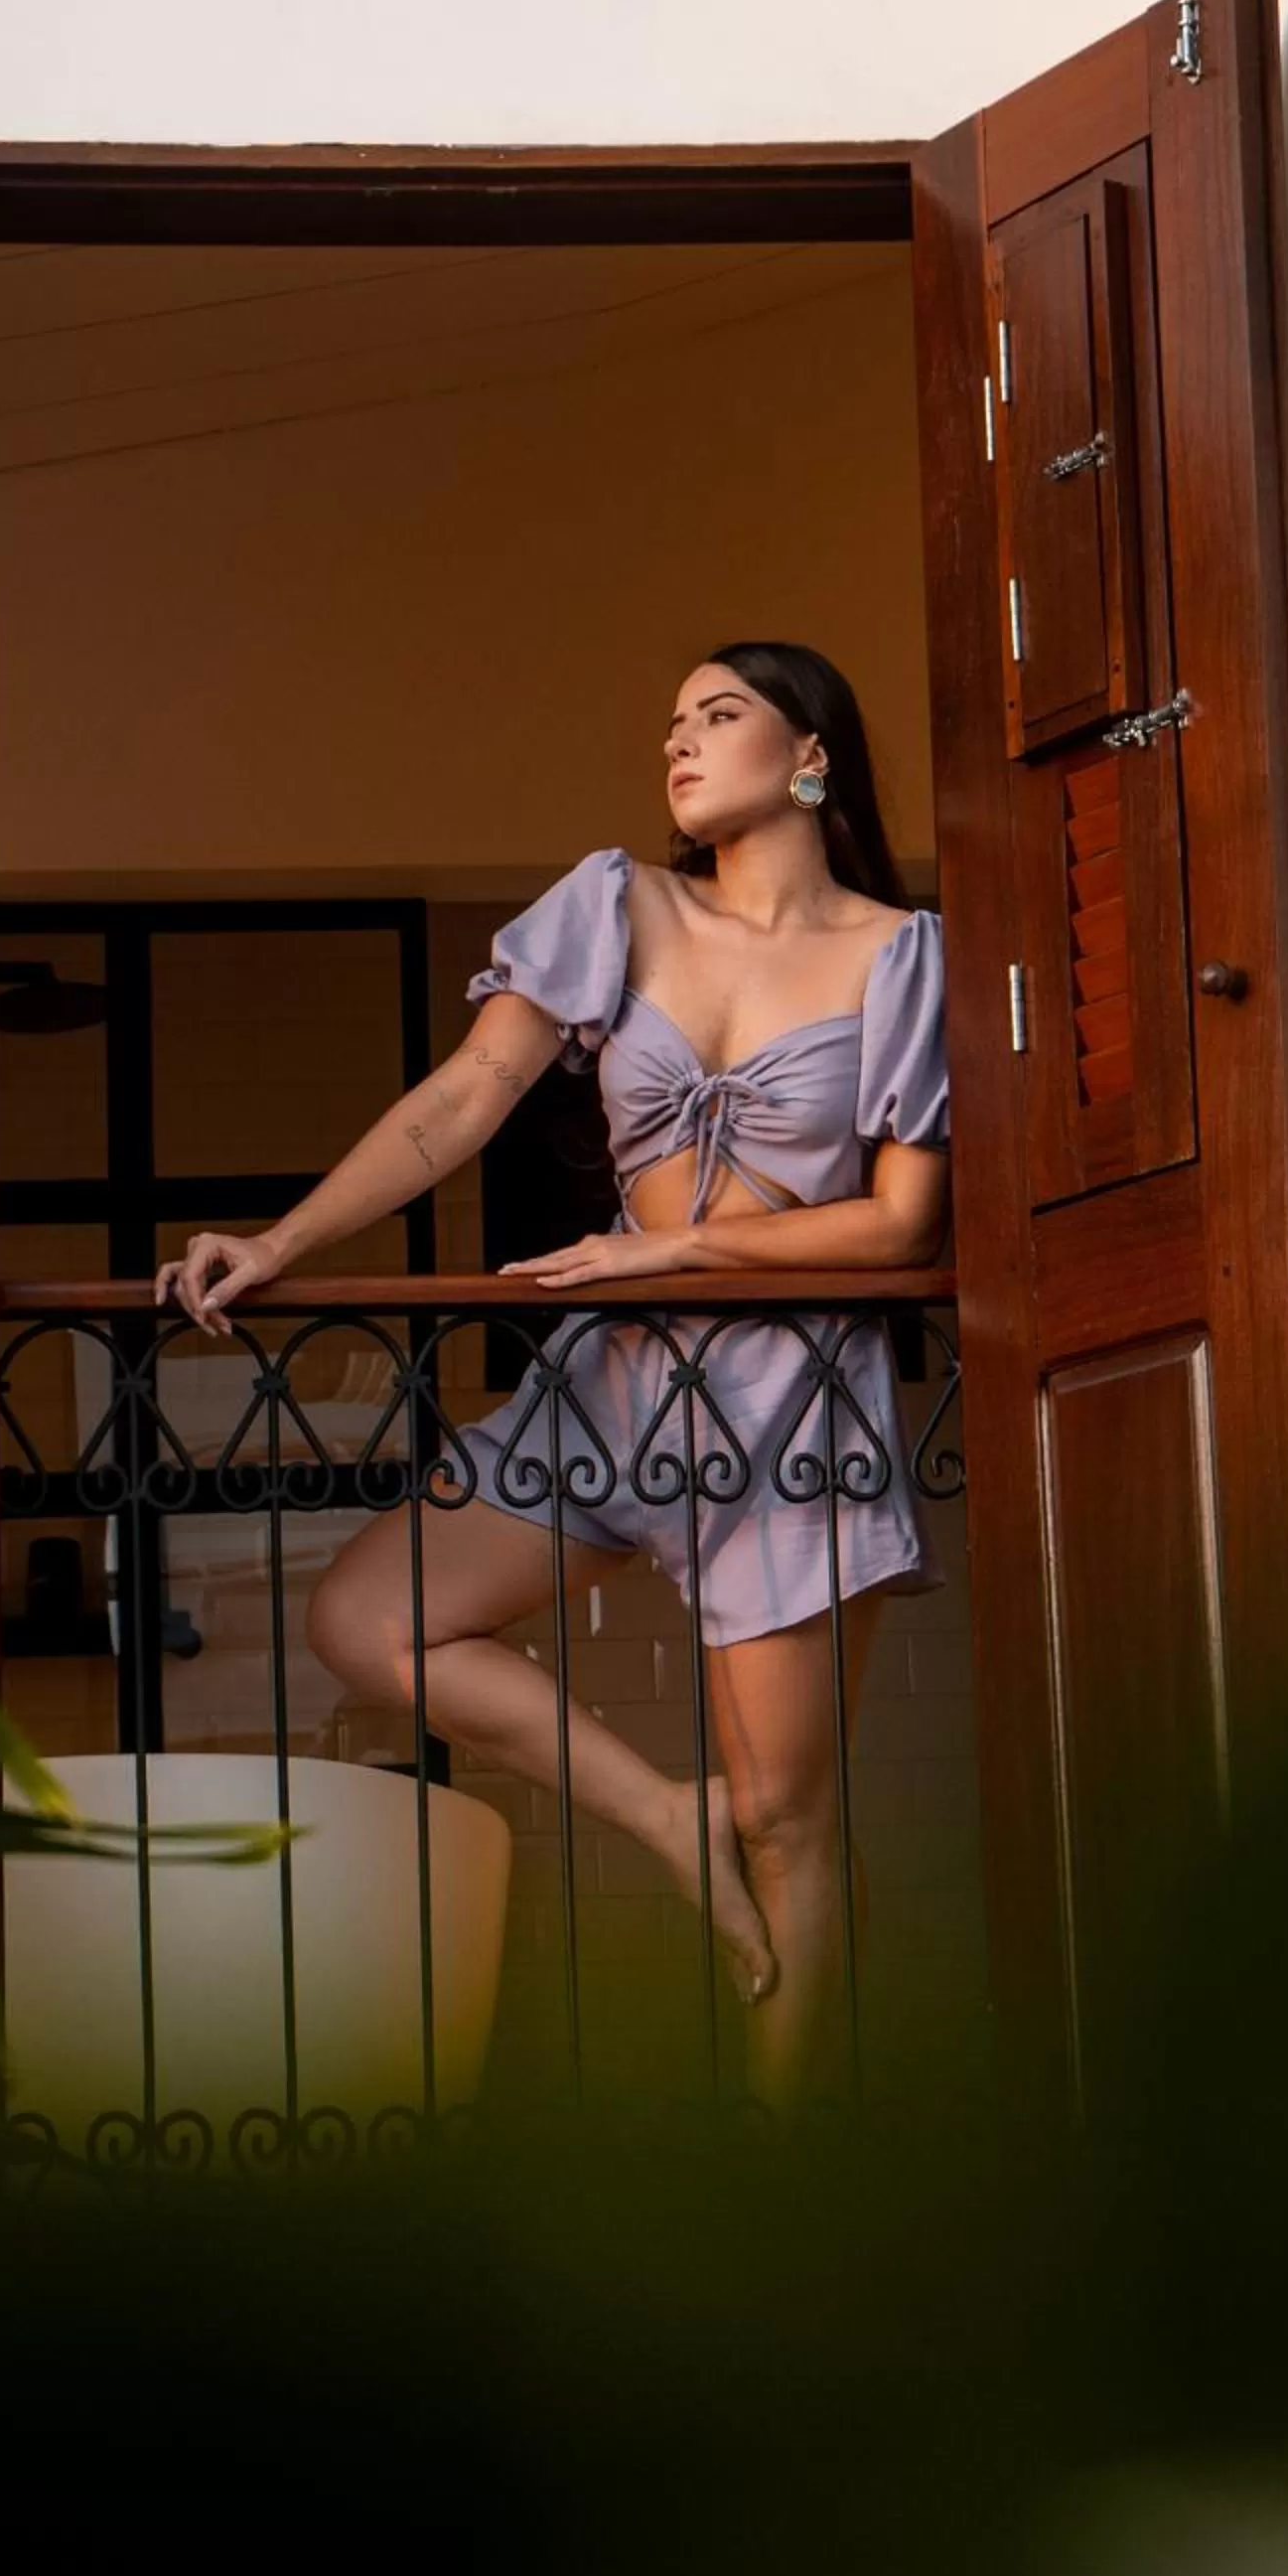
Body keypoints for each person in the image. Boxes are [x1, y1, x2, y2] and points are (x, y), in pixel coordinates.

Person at [155, 642, 950, 2104]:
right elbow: (464, 1095)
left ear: (813, 756)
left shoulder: (902, 954)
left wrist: (666, 1257)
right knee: (370, 1617)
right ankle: (661, 1817)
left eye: (720, 717)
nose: (681, 744)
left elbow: (902, 1221)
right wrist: (283, 1245)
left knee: (791, 1826)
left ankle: (791, 2203)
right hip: (612, 1391)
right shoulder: (617, 903)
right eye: (671, 724)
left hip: (796, 1411)